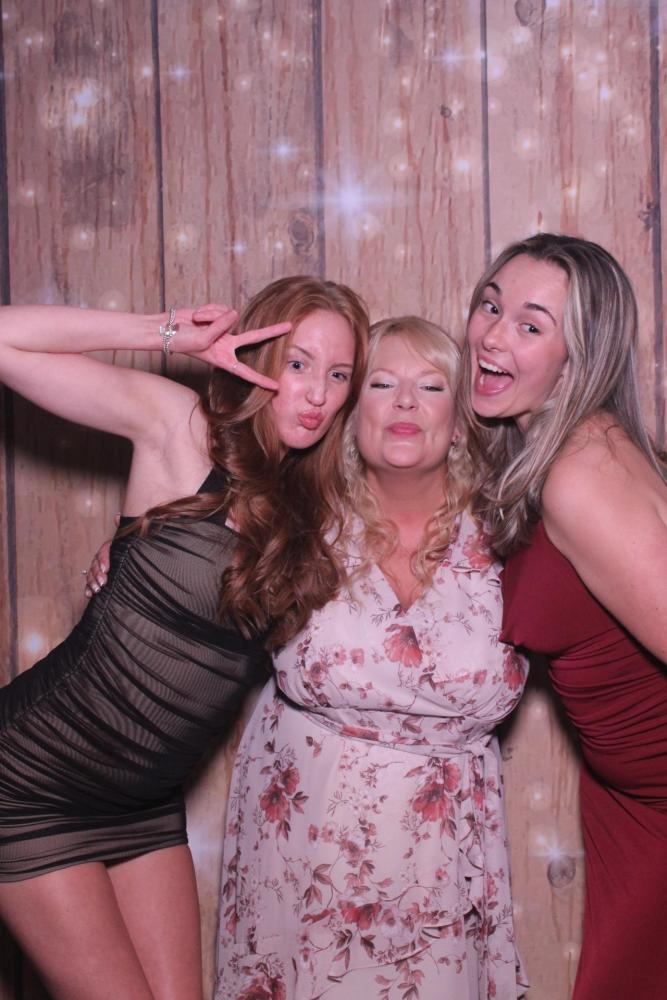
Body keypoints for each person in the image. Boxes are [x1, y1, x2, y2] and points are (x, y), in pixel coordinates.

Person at [0, 276, 369, 1000]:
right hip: (34, 784)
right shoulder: (183, 429)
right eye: (298, 364)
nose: (317, 395)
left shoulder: (310, 510)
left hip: (143, 802)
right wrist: (166, 332)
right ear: (256, 359)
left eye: (337, 376)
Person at [215, 317, 528, 999]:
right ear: (351, 414)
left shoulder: (515, 531)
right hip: (306, 851)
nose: (406, 401)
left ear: (459, 419)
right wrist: (127, 543)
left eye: (431, 386)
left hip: (444, 868)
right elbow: (184, 544)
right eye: (381, 384)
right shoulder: (294, 520)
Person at [462, 232, 667, 999]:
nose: (492, 335)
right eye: (490, 306)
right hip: (628, 803)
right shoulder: (569, 448)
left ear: (578, 359)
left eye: (529, 324)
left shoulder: (580, 474)